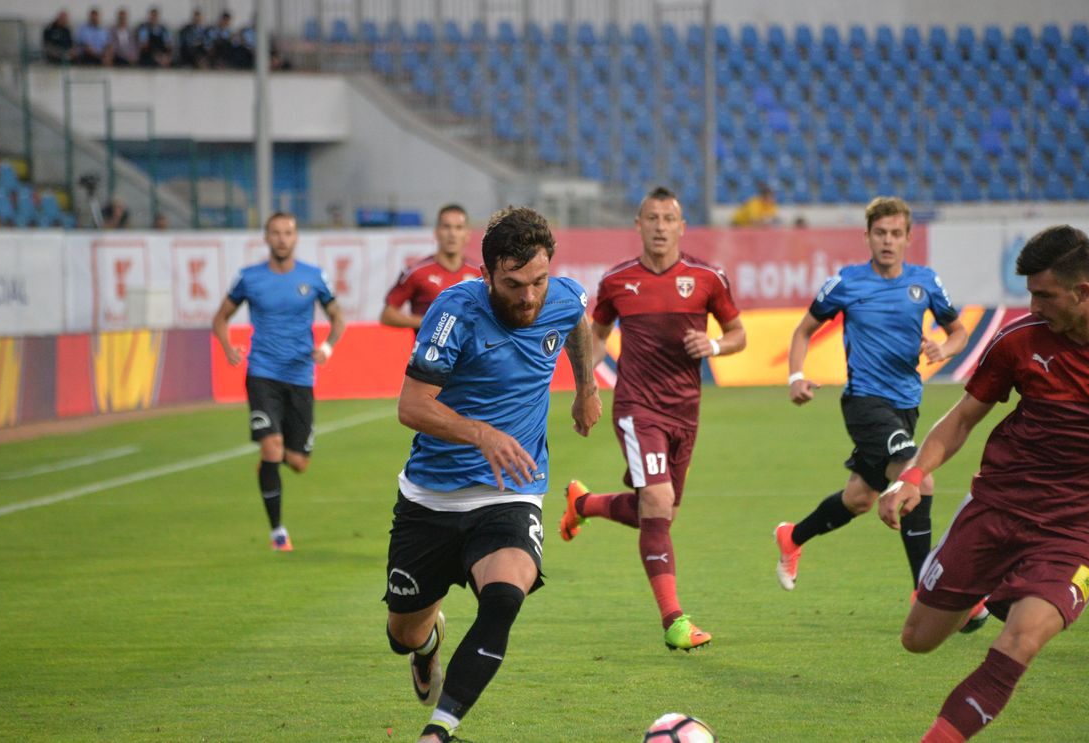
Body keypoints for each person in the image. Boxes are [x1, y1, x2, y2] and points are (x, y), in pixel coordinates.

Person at [877, 225, 1089, 741]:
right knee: (917, 640)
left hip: (1078, 534)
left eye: (1043, 295)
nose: (1033, 306)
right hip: (996, 509)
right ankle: (989, 591)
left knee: (1020, 641)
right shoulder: (1019, 340)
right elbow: (964, 417)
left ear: (1083, 292)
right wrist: (915, 475)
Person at [383, 206, 601, 743]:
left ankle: (440, 730)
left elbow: (578, 321)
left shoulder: (563, 296)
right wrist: (482, 433)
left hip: (512, 493)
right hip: (432, 496)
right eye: (514, 284)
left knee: (505, 598)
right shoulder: (454, 312)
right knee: (403, 635)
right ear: (486, 275)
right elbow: (412, 406)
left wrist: (587, 389)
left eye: (538, 281)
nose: (529, 296)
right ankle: (428, 643)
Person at [772, 197, 981, 624]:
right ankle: (926, 590)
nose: (888, 241)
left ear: (908, 238)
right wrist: (796, 376)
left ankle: (792, 537)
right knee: (917, 477)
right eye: (880, 233)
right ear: (867, 237)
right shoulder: (846, 283)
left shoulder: (925, 283)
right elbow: (803, 330)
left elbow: (959, 333)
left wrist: (944, 348)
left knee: (859, 498)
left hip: (907, 405)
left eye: (895, 233)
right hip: (865, 403)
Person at [559, 186, 746, 651]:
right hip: (638, 408)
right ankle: (674, 621)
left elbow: (738, 334)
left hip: (687, 411)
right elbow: (595, 336)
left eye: (669, 219)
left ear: (682, 227)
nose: (661, 227)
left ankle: (584, 505)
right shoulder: (618, 281)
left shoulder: (708, 277)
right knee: (658, 504)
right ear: (638, 225)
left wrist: (715, 346)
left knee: (661, 512)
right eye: (652, 218)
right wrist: (585, 388)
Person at [211, 212, 345, 551]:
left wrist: (327, 346)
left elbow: (337, 316)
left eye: (288, 232)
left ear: (296, 237)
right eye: (276, 233)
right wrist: (228, 346)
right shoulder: (250, 278)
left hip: (300, 375)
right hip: (262, 373)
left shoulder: (313, 277)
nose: (282, 238)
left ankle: (272, 456)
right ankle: (278, 533)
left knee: (298, 463)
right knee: (271, 447)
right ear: (266, 237)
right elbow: (221, 317)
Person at [381, 204, 481, 331]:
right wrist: (428, 321)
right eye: (446, 227)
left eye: (458, 228)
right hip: (428, 350)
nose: (452, 234)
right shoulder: (416, 272)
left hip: (467, 350)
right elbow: (387, 315)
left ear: (467, 234)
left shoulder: (478, 274)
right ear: (436, 232)